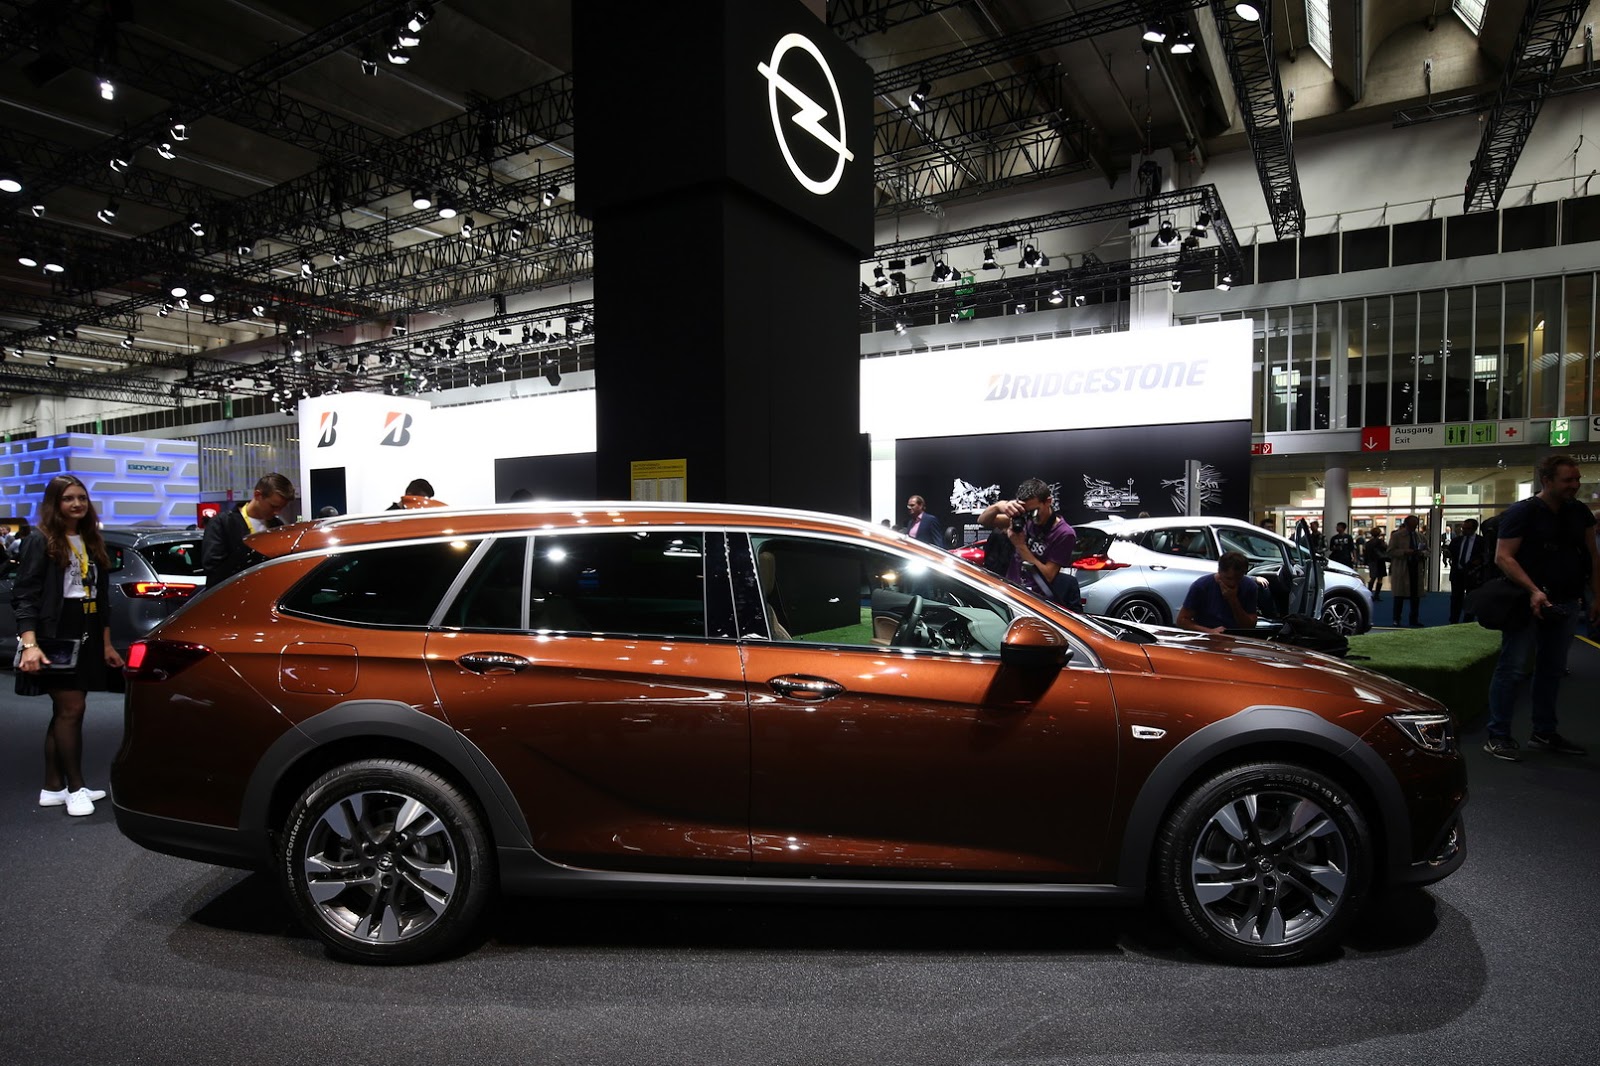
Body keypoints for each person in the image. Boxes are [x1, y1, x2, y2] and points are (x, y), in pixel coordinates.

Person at [12, 475, 124, 817]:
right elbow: (25, 595)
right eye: (68, 498)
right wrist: (29, 643)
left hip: (88, 627)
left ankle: (52, 788)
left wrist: (106, 644)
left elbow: (101, 598)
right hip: (55, 632)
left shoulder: (91, 539)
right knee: (72, 709)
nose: (77, 504)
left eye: (81, 498)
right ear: (54, 503)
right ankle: (75, 788)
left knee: (66, 712)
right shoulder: (40, 539)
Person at [1482, 454, 1600, 761]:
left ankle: (1544, 733)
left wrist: (1596, 597)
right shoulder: (1523, 512)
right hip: (1526, 603)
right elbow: (1503, 556)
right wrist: (1533, 590)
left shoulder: (1580, 512)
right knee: (1512, 668)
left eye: (1577, 479)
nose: (1575, 485)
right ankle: (1498, 735)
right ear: (1546, 480)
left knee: (1552, 670)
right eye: (1567, 480)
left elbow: (1592, 556)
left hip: (1566, 601)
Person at [978, 478, 1078, 606]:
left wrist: (1020, 545)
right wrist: (999, 506)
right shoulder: (1026, 519)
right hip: (1012, 590)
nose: (1031, 517)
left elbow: (1048, 576)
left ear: (1048, 501)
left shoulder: (1064, 533)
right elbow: (983, 520)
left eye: (1034, 511)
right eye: (1026, 512)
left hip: (1036, 600)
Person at [201, 473, 293, 588]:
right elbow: (213, 568)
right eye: (273, 506)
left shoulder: (277, 525)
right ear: (257, 495)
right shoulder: (223, 523)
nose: (277, 512)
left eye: (281, 508)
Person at [1177, 551, 1260, 633]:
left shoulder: (1249, 587)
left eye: (1238, 578)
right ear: (1219, 571)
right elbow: (1182, 620)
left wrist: (1233, 600)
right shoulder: (1201, 586)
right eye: (1228, 578)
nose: (1233, 583)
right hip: (1207, 636)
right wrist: (1210, 631)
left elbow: (1250, 626)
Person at [1446, 518, 1489, 625]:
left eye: (1467, 528)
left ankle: (1468, 621)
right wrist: (1447, 553)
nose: (1464, 530)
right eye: (1463, 528)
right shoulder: (1457, 540)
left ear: (1474, 529)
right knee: (1455, 599)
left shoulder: (1481, 542)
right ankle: (1453, 621)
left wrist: (1479, 562)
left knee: (1471, 598)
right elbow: (1450, 552)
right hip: (1457, 573)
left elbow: (1486, 557)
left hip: (1473, 574)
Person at [1387, 516, 1425, 626]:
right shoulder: (1397, 536)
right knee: (1399, 596)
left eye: (1415, 525)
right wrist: (1404, 552)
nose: (1414, 527)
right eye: (1412, 525)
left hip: (1416, 569)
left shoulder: (1420, 537)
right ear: (1406, 524)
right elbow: (1390, 551)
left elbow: (1427, 550)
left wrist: (1422, 553)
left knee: (1415, 597)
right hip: (1401, 569)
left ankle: (1414, 619)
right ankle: (1396, 619)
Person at [1363, 527, 1388, 600]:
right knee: (1380, 578)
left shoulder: (1368, 543)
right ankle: (1377, 595)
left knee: (1372, 577)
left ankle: (1369, 593)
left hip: (1372, 561)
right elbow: (1385, 548)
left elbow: (1366, 553)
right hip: (1380, 561)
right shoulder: (1380, 541)